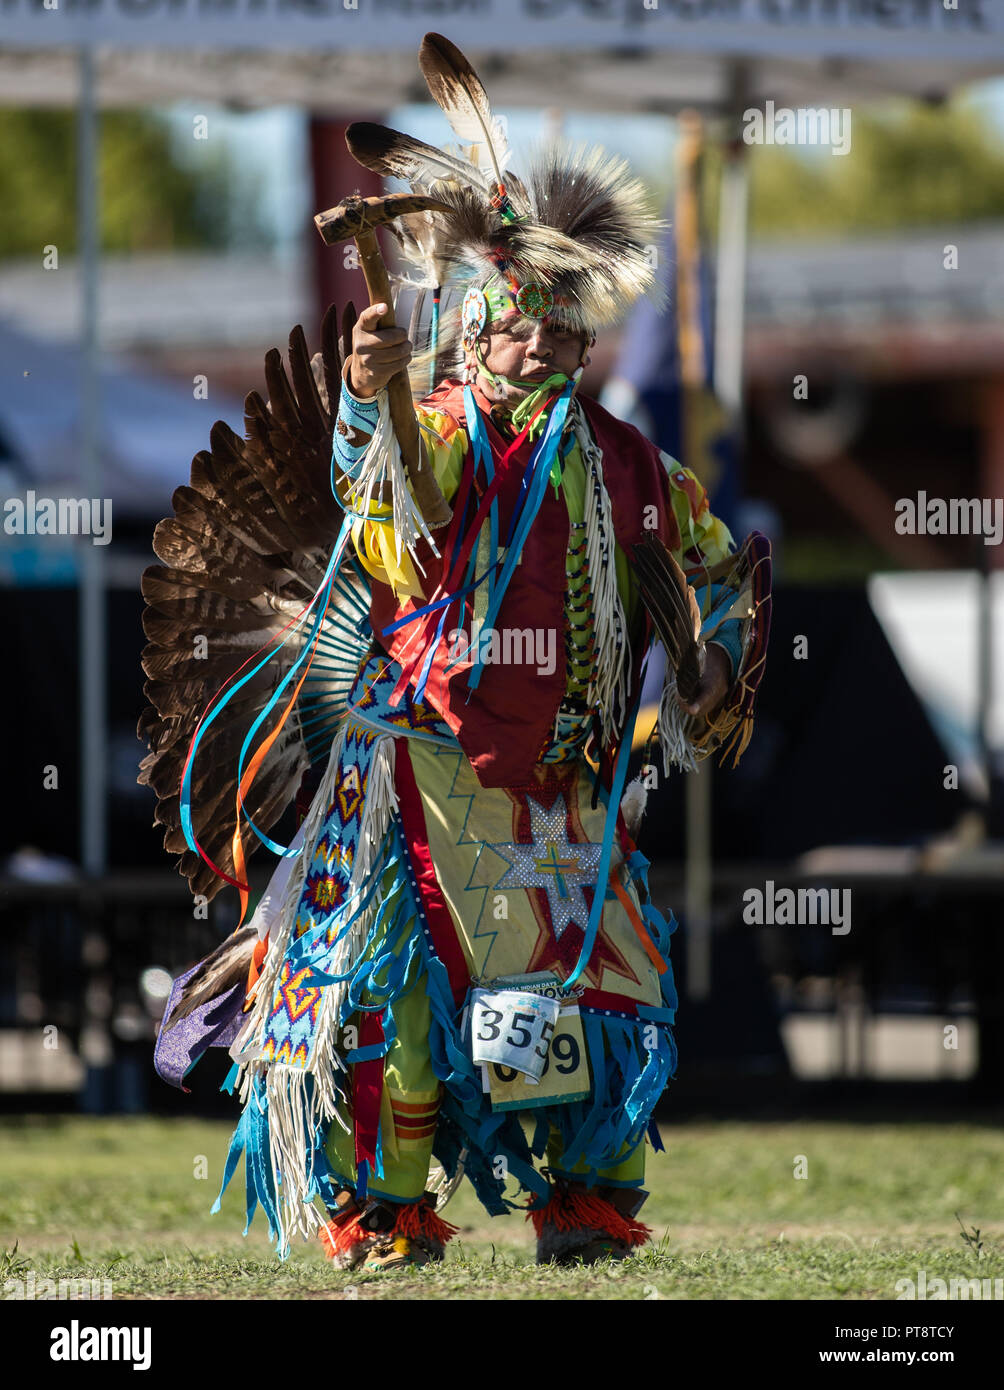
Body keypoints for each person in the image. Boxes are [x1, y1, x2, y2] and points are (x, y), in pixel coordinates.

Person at [148, 31, 770, 1274]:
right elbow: (398, 508)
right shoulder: (444, 437)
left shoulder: (632, 467)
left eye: (562, 335)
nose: (541, 353)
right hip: (424, 772)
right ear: (475, 332)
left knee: (589, 997)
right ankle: (382, 1211)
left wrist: (711, 667)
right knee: (402, 1006)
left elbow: (717, 572)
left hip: (563, 780)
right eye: (517, 333)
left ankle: (582, 1199)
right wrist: (374, 393)